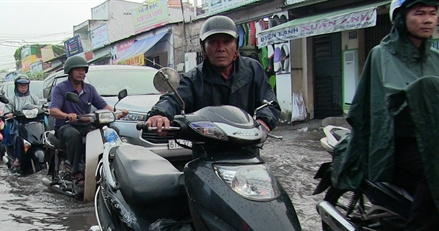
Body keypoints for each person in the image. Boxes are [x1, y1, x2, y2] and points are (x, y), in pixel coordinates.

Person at [331, 0, 439, 231]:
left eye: (433, 14)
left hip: (435, 141)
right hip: (396, 145)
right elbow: (384, 99)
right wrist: (423, 93)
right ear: (401, 18)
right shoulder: (382, 55)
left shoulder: (436, 59)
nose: (428, 19)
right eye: (419, 13)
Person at [145, 15, 280, 136]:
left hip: (247, 149)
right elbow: (173, 99)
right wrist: (160, 114)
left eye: (227, 41)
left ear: (236, 45)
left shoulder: (252, 69)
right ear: (203, 47)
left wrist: (263, 122)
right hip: (207, 151)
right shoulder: (193, 79)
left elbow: (269, 103)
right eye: (213, 42)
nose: (221, 48)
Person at [49, 56, 126, 186]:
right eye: (78, 70)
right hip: (65, 126)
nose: (81, 73)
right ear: (70, 71)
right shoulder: (61, 89)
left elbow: (103, 105)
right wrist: (67, 115)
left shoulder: (89, 89)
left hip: (86, 125)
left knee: (111, 132)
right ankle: (75, 171)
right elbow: (53, 110)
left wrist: (118, 112)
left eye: (84, 70)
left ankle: (108, 165)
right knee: (73, 135)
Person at [3, 74, 40, 169]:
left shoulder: (34, 97)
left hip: (34, 123)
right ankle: (18, 157)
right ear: (16, 87)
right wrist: (9, 114)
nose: (23, 88)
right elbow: (7, 110)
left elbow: (40, 107)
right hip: (18, 123)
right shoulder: (12, 99)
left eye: (25, 85)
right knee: (16, 137)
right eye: (20, 86)